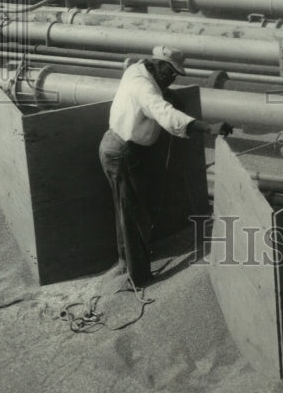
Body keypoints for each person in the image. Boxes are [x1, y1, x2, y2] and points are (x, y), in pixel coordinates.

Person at [99, 45, 232, 288]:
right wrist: (208, 128)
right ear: (158, 64)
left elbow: (158, 96)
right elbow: (164, 113)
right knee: (132, 212)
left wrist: (168, 92)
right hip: (122, 151)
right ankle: (138, 279)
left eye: (175, 75)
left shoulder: (137, 69)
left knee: (126, 207)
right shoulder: (145, 87)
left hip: (118, 146)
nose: (172, 78)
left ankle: (124, 263)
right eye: (170, 72)